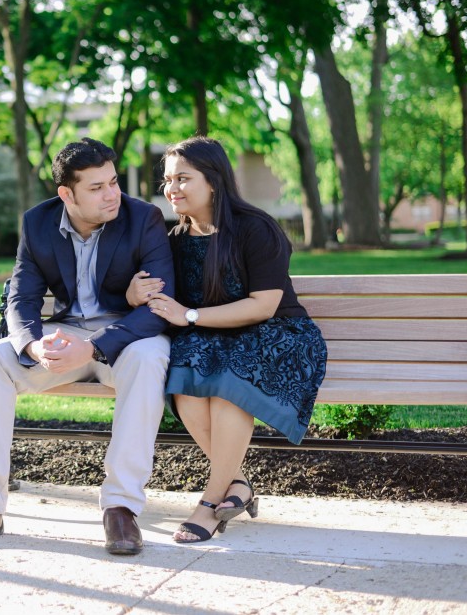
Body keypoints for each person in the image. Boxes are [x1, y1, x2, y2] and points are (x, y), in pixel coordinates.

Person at [0, 137, 175, 555]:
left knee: (151, 357)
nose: (112, 194)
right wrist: (34, 347)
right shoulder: (38, 223)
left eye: (113, 182)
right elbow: (22, 297)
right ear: (66, 194)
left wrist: (92, 348)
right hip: (65, 333)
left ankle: (121, 509)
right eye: (97, 188)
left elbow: (158, 307)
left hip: (129, 335)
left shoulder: (143, 217)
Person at [127, 136, 327, 544]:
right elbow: (158, 294)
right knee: (186, 378)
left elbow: (265, 305)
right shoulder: (176, 240)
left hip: (277, 336)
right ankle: (238, 484)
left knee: (226, 384)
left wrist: (191, 316)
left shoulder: (256, 228)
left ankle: (210, 500)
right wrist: (135, 294)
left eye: (183, 178)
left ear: (214, 180)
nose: (172, 189)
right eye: (168, 180)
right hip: (215, 338)